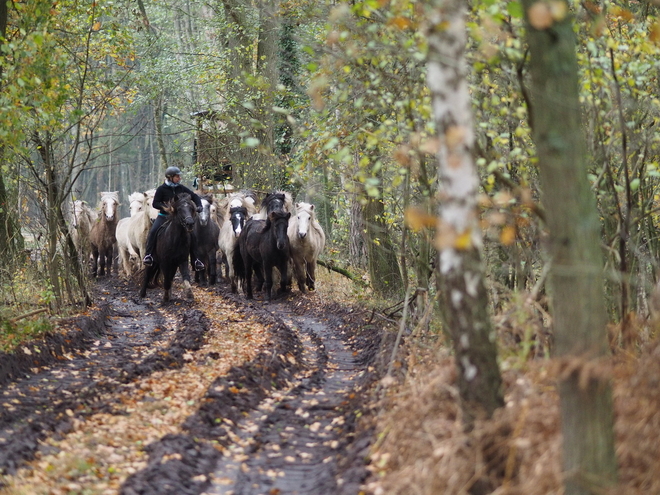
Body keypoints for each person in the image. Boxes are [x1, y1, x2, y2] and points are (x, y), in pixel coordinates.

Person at [142, 166, 205, 271]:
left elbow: (195, 196)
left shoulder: (181, 188)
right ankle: (149, 255)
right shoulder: (161, 189)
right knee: (153, 231)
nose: (179, 178)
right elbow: (155, 203)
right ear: (170, 177)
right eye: (177, 176)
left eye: (179, 176)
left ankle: (196, 260)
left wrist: (199, 205)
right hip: (164, 216)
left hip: (179, 219)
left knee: (193, 235)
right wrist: (165, 208)